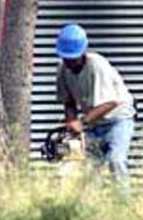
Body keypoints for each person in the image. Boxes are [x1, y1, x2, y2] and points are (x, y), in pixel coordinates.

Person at [55, 23, 136, 192]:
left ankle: (124, 207)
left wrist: (81, 122)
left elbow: (110, 102)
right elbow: (68, 101)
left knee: (116, 160)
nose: (69, 62)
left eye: (73, 58)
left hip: (118, 120)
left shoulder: (97, 65)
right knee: (87, 168)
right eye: (66, 58)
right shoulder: (63, 70)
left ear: (83, 52)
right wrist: (71, 123)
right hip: (93, 124)